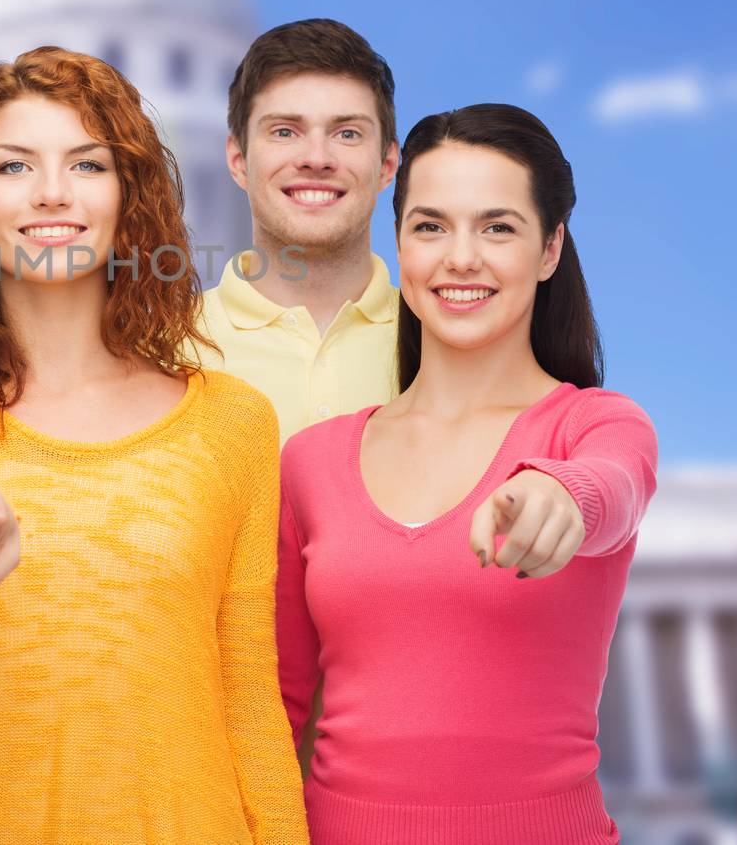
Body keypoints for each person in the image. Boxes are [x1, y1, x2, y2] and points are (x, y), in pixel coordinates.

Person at [0, 47, 308, 844]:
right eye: (15, 166)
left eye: (86, 164)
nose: (52, 192)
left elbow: (250, 701)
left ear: (129, 198)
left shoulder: (234, 424)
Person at [276, 103, 657, 844]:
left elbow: (615, 485)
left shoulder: (593, 427)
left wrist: (560, 492)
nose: (460, 258)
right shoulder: (311, 461)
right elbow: (277, 702)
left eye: (498, 227)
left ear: (550, 248)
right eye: (430, 225)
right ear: (398, 244)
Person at [196, 18, 401, 445]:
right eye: (285, 131)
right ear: (238, 161)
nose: (316, 157)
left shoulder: (446, 344)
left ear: (387, 165)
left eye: (347, 133)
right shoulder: (160, 350)